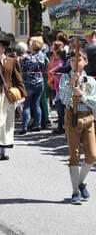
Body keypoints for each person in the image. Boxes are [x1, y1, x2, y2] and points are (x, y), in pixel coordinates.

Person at [59, 48, 96, 204]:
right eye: (72, 60)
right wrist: (70, 85)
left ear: (85, 62)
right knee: (74, 155)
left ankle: (81, 181)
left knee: (92, 155)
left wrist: (82, 96)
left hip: (87, 118)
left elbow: (94, 102)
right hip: (72, 118)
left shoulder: (91, 81)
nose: (75, 63)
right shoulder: (65, 78)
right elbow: (63, 99)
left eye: (79, 60)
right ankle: (75, 191)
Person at [0, 32, 26, 160]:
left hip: (8, 96)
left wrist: (23, 95)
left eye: (0, 46)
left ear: (4, 47)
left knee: (6, 122)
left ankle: (2, 150)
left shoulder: (12, 62)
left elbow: (18, 79)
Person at [19, 40, 46, 134]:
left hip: (29, 83)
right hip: (39, 82)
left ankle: (24, 127)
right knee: (36, 104)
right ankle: (38, 124)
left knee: (26, 105)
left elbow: (21, 69)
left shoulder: (27, 58)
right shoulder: (42, 56)